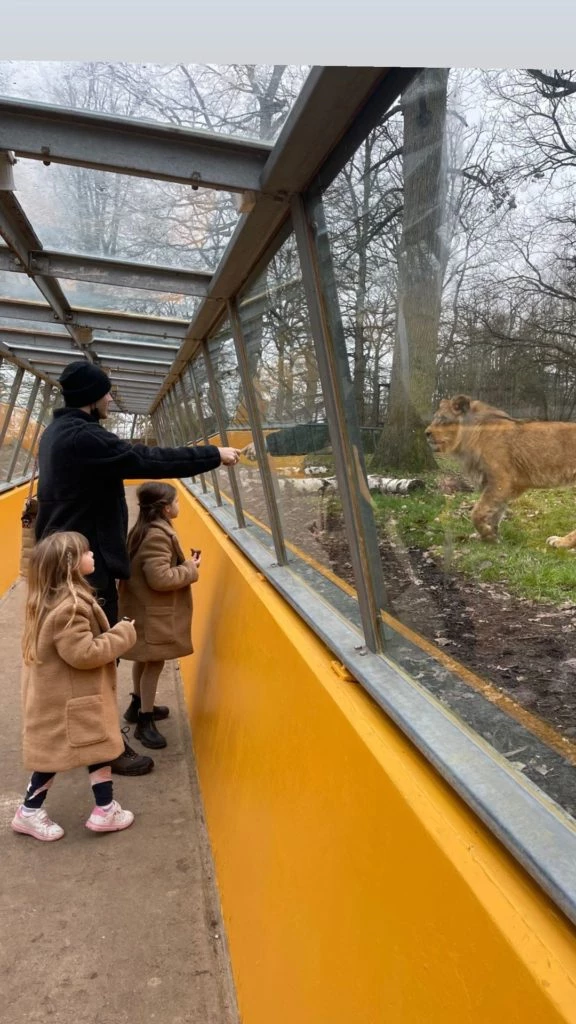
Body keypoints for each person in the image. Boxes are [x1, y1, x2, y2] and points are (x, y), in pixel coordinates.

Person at [35, 360, 240, 776]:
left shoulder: (59, 431)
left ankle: (105, 733)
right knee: (97, 659)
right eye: (107, 392)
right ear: (93, 398)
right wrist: (212, 455)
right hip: (84, 566)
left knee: (94, 657)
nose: (111, 398)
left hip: (68, 558)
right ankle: (107, 747)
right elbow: (147, 458)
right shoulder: (82, 437)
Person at [11, 532, 137, 842]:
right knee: (52, 758)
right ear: (70, 564)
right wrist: (123, 633)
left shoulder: (48, 599)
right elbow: (84, 654)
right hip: (70, 700)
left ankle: (105, 808)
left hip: (68, 697)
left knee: (96, 748)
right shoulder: (70, 607)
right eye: (86, 552)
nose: (93, 555)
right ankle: (28, 812)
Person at [118, 482, 199, 749]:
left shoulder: (142, 529)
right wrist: (190, 568)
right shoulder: (157, 536)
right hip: (153, 613)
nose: (179, 505)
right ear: (166, 509)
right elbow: (160, 578)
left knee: (143, 658)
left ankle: (137, 703)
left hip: (141, 609)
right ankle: (144, 721)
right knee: (154, 663)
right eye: (176, 502)